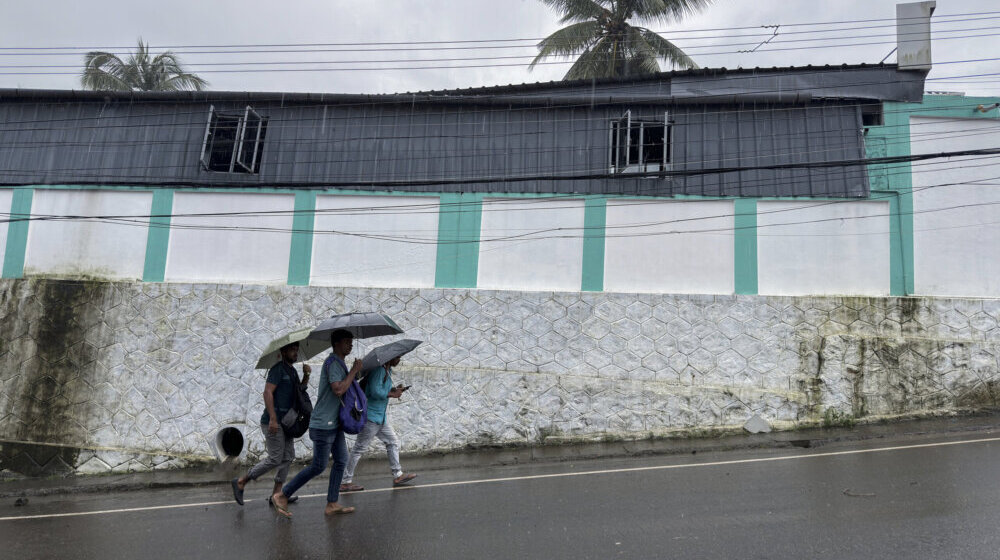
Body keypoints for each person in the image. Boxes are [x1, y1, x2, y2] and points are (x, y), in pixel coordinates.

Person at [271, 329, 363, 518]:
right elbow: (338, 389)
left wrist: (355, 373)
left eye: (351, 341)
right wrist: (353, 371)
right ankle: (283, 495)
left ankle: (331, 503)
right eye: (347, 341)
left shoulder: (339, 363)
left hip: (334, 423)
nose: (350, 344)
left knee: (341, 460)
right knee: (318, 466)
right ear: (336, 344)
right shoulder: (333, 363)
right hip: (323, 424)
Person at [231, 342, 310, 507]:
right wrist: (273, 418)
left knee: (288, 457)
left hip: (287, 423)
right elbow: (267, 392)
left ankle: (277, 495)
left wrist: (306, 376)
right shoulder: (277, 370)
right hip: (273, 422)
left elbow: (298, 392)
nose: (295, 353)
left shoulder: (293, 371)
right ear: (283, 351)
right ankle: (241, 482)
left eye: (296, 350)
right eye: (292, 350)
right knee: (275, 458)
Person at [340, 356, 416, 491]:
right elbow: (374, 392)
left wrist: (394, 389)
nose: (399, 360)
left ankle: (398, 474)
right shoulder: (379, 371)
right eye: (397, 357)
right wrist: (392, 394)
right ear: (390, 357)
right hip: (371, 417)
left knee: (392, 442)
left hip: (381, 418)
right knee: (359, 449)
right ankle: (345, 481)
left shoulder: (387, 371)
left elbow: (381, 388)